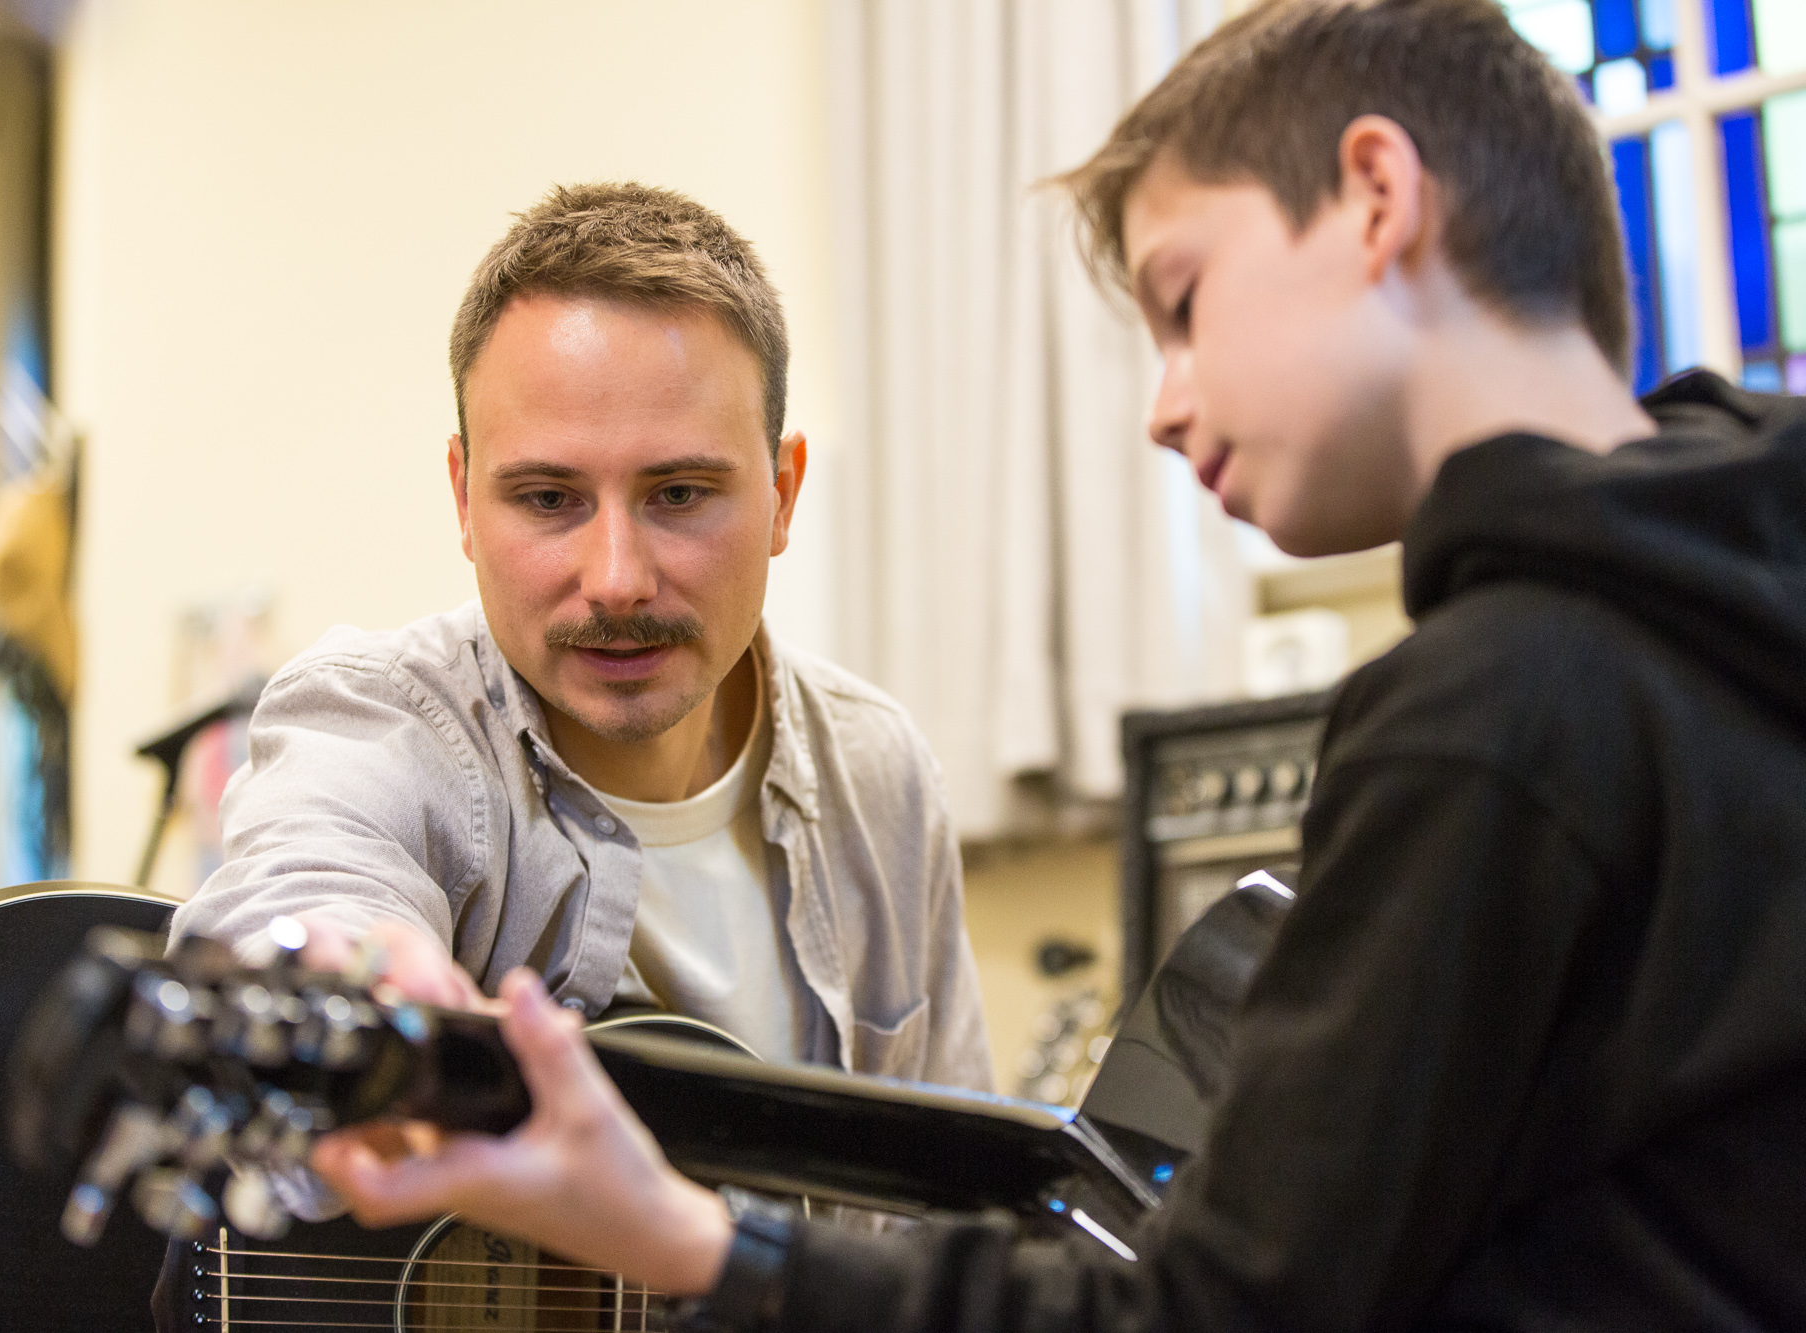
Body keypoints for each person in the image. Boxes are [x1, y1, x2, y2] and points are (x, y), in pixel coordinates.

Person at [307, 0, 1806, 1328]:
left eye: (1184, 303)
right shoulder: (1732, 606)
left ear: (1374, 197)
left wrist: (699, 1244)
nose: (1161, 406)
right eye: (547, 497)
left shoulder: (1493, 716)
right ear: (463, 497)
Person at [167, 182, 991, 1088]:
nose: (616, 579)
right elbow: (302, 892)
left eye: (679, 493)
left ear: (782, 495)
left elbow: (962, 1163)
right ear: (464, 499)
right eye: (550, 498)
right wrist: (352, 976)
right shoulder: (379, 725)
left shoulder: (880, 777)